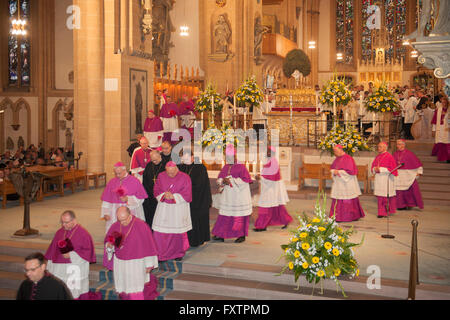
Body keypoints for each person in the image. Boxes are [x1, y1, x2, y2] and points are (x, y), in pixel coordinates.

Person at [103, 206, 159, 300]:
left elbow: (149, 247)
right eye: (119, 220)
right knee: (123, 287)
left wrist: (149, 265)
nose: (122, 222)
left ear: (130, 215)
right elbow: (109, 243)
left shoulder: (141, 226)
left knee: (135, 290)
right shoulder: (115, 226)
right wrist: (109, 246)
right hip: (120, 263)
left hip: (136, 264)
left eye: (124, 219)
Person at [44, 210, 96, 299]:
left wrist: (71, 255)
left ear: (74, 221)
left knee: (72, 293)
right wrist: (49, 267)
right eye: (62, 222)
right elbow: (53, 250)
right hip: (59, 269)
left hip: (74, 269)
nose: (63, 225)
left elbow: (87, 253)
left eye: (66, 222)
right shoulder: (60, 232)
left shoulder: (84, 234)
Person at [211, 144, 252, 243]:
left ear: (235, 156)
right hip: (228, 197)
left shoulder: (241, 167)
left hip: (239, 197)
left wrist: (232, 180)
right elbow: (219, 179)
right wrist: (222, 181)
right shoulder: (225, 167)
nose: (228, 159)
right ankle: (221, 234)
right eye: (226, 157)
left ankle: (241, 235)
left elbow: (246, 180)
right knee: (225, 215)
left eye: (230, 157)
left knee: (239, 217)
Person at [152, 161, 192, 261]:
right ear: (165, 170)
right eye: (168, 173)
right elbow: (156, 189)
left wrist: (174, 196)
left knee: (177, 232)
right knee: (160, 232)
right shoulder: (161, 176)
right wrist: (164, 195)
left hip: (178, 208)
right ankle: (161, 254)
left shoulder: (185, 177)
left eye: (173, 172)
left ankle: (178, 253)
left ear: (177, 169)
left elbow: (187, 193)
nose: (170, 175)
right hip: (164, 207)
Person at [100, 162, 148, 232]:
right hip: (114, 212)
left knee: (131, 230)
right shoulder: (112, 182)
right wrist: (105, 213)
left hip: (130, 210)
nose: (117, 175)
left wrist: (128, 199)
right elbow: (106, 200)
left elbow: (141, 199)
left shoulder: (134, 181)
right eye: (116, 173)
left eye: (119, 173)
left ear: (124, 170)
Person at [253, 147, 292, 231]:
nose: (267, 153)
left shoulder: (273, 162)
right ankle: (285, 220)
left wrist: (260, 178)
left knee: (266, 206)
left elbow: (270, 178)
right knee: (276, 206)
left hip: (271, 188)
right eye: (267, 151)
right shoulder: (270, 161)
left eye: (269, 152)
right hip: (270, 187)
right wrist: (261, 176)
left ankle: (262, 225)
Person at [178, 152, 212, 247]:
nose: (185, 161)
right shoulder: (180, 167)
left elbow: (199, 184)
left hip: (199, 198)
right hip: (184, 198)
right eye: (183, 159)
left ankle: (197, 240)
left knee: (197, 219)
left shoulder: (200, 167)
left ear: (192, 157)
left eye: (187, 159)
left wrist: (184, 189)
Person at [329, 145, 365, 222]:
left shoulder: (348, 158)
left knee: (347, 199)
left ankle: (349, 216)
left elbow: (351, 172)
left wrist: (338, 172)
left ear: (341, 149)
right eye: (334, 151)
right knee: (338, 198)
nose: (335, 153)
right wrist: (334, 172)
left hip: (347, 183)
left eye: (336, 151)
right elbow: (332, 168)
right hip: (339, 182)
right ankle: (337, 216)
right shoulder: (337, 159)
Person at [393, 139, 424, 211]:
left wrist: (419, 171)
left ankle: (409, 204)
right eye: (397, 144)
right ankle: (400, 205)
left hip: (408, 174)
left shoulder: (409, 153)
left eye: (400, 144)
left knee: (409, 190)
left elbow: (417, 163)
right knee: (399, 191)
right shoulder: (395, 154)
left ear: (404, 145)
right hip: (399, 174)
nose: (398, 146)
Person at [371, 142, 398, 218]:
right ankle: (381, 212)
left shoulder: (389, 156)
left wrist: (381, 169)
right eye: (378, 146)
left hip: (386, 179)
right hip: (379, 179)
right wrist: (374, 169)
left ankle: (385, 212)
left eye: (380, 147)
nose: (378, 148)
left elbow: (392, 169)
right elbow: (373, 166)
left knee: (385, 197)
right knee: (380, 197)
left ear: (385, 148)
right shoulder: (378, 156)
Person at [142, 150, 166, 227]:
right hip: (149, 195)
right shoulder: (149, 165)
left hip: (161, 195)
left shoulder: (165, 165)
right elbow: (145, 180)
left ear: (160, 156)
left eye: (155, 160)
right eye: (152, 160)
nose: (154, 161)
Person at [431, 94, 449, 162]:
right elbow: (435, 121)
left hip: (447, 130)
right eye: (442, 102)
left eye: (445, 102)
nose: (443, 104)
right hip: (440, 129)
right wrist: (433, 130)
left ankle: (448, 158)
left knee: (447, 143)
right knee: (440, 143)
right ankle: (442, 157)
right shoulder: (438, 110)